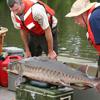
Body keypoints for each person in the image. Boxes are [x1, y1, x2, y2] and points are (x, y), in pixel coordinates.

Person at [65, 0, 100, 92]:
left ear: (83, 14)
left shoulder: (94, 19)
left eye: (76, 18)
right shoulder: (95, 16)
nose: (75, 21)